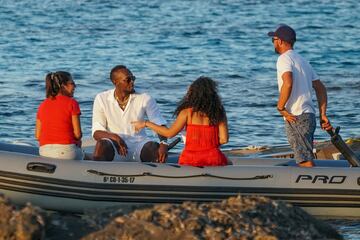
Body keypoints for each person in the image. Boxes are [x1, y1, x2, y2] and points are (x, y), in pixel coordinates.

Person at [268, 24, 332, 167]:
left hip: (295, 116)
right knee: (305, 156)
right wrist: (323, 115)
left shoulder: (284, 59)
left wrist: (280, 107)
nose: (273, 42)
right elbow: (321, 88)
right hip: (309, 115)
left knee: (304, 161)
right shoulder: (302, 60)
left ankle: (316, 188)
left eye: (273, 39)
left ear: (280, 41)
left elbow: (288, 82)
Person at [132, 76, 229, 167]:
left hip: (190, 159)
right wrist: (208, 145)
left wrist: (146, 123)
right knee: (228, 163)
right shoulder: (219, 112)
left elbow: (169, 134)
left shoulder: (187, 113)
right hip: (213, 157)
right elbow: (224, 139)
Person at [92, 65, 168, 162]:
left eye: (133, 78)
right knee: (101, 144)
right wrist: (115, 137)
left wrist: (164, 143)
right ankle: (95, 174)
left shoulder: (145, 98)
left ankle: (158, 173)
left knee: (153, 147)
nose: (132, 82)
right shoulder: (101, 98)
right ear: (115, 82)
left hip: (139, 145)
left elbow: (159, 123)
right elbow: (96, 133)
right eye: (128, 79)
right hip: (115, 146)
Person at [35, 71, 83, 160]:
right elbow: (78, 134)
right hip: (66, 152)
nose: (75, 86)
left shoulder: (42, 105)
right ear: (63, 86)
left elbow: (37, 136)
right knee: (86, 156)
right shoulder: (72, 103)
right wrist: (77, 142)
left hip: (44, 152)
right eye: (72, 83)